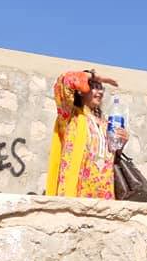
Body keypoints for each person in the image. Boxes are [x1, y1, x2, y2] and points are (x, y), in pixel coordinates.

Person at [45, 69, 128, 198]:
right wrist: (97, 76)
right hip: (77, 190)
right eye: (94, 87)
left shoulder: (106, 123)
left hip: (104, 192)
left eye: (101, 88)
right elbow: (65, 81)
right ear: (81, 90)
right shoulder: (71, 116)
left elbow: (112, 156)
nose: (99, 92)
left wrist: (121, 143)